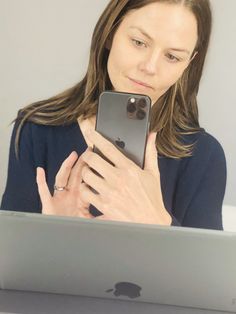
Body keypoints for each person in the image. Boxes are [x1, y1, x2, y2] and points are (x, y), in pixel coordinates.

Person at [1, 0, 227, 230]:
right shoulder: (37, 130)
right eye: (139, 42)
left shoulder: (204, 158)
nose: (150, 67)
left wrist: (158, 222)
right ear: (110, 33)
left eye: (172, 57)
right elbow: (10, 259)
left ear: (188, 64)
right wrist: (56, 233)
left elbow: (203, 265)